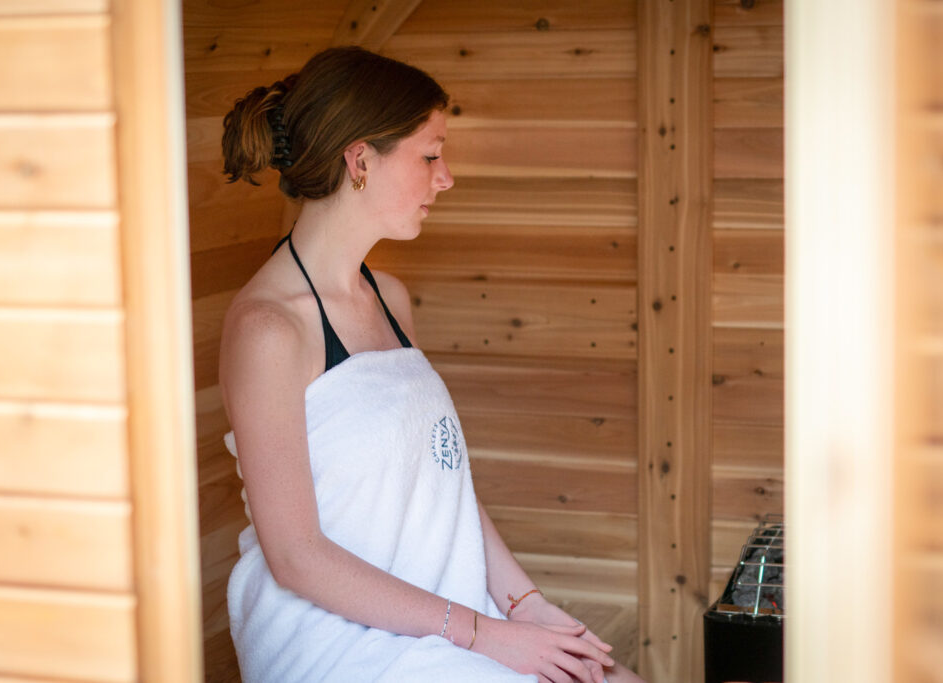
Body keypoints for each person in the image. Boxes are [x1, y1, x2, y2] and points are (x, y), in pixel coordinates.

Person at [218, 46, 646, 683]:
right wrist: (486, 636)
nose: (445, 178)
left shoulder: (388, 299)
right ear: (360, 160)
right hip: (337, 641)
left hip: (436, 614)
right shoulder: (269, 330)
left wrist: (526, 606)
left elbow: (445, 482)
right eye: (430, 155)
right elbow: (296, 556)